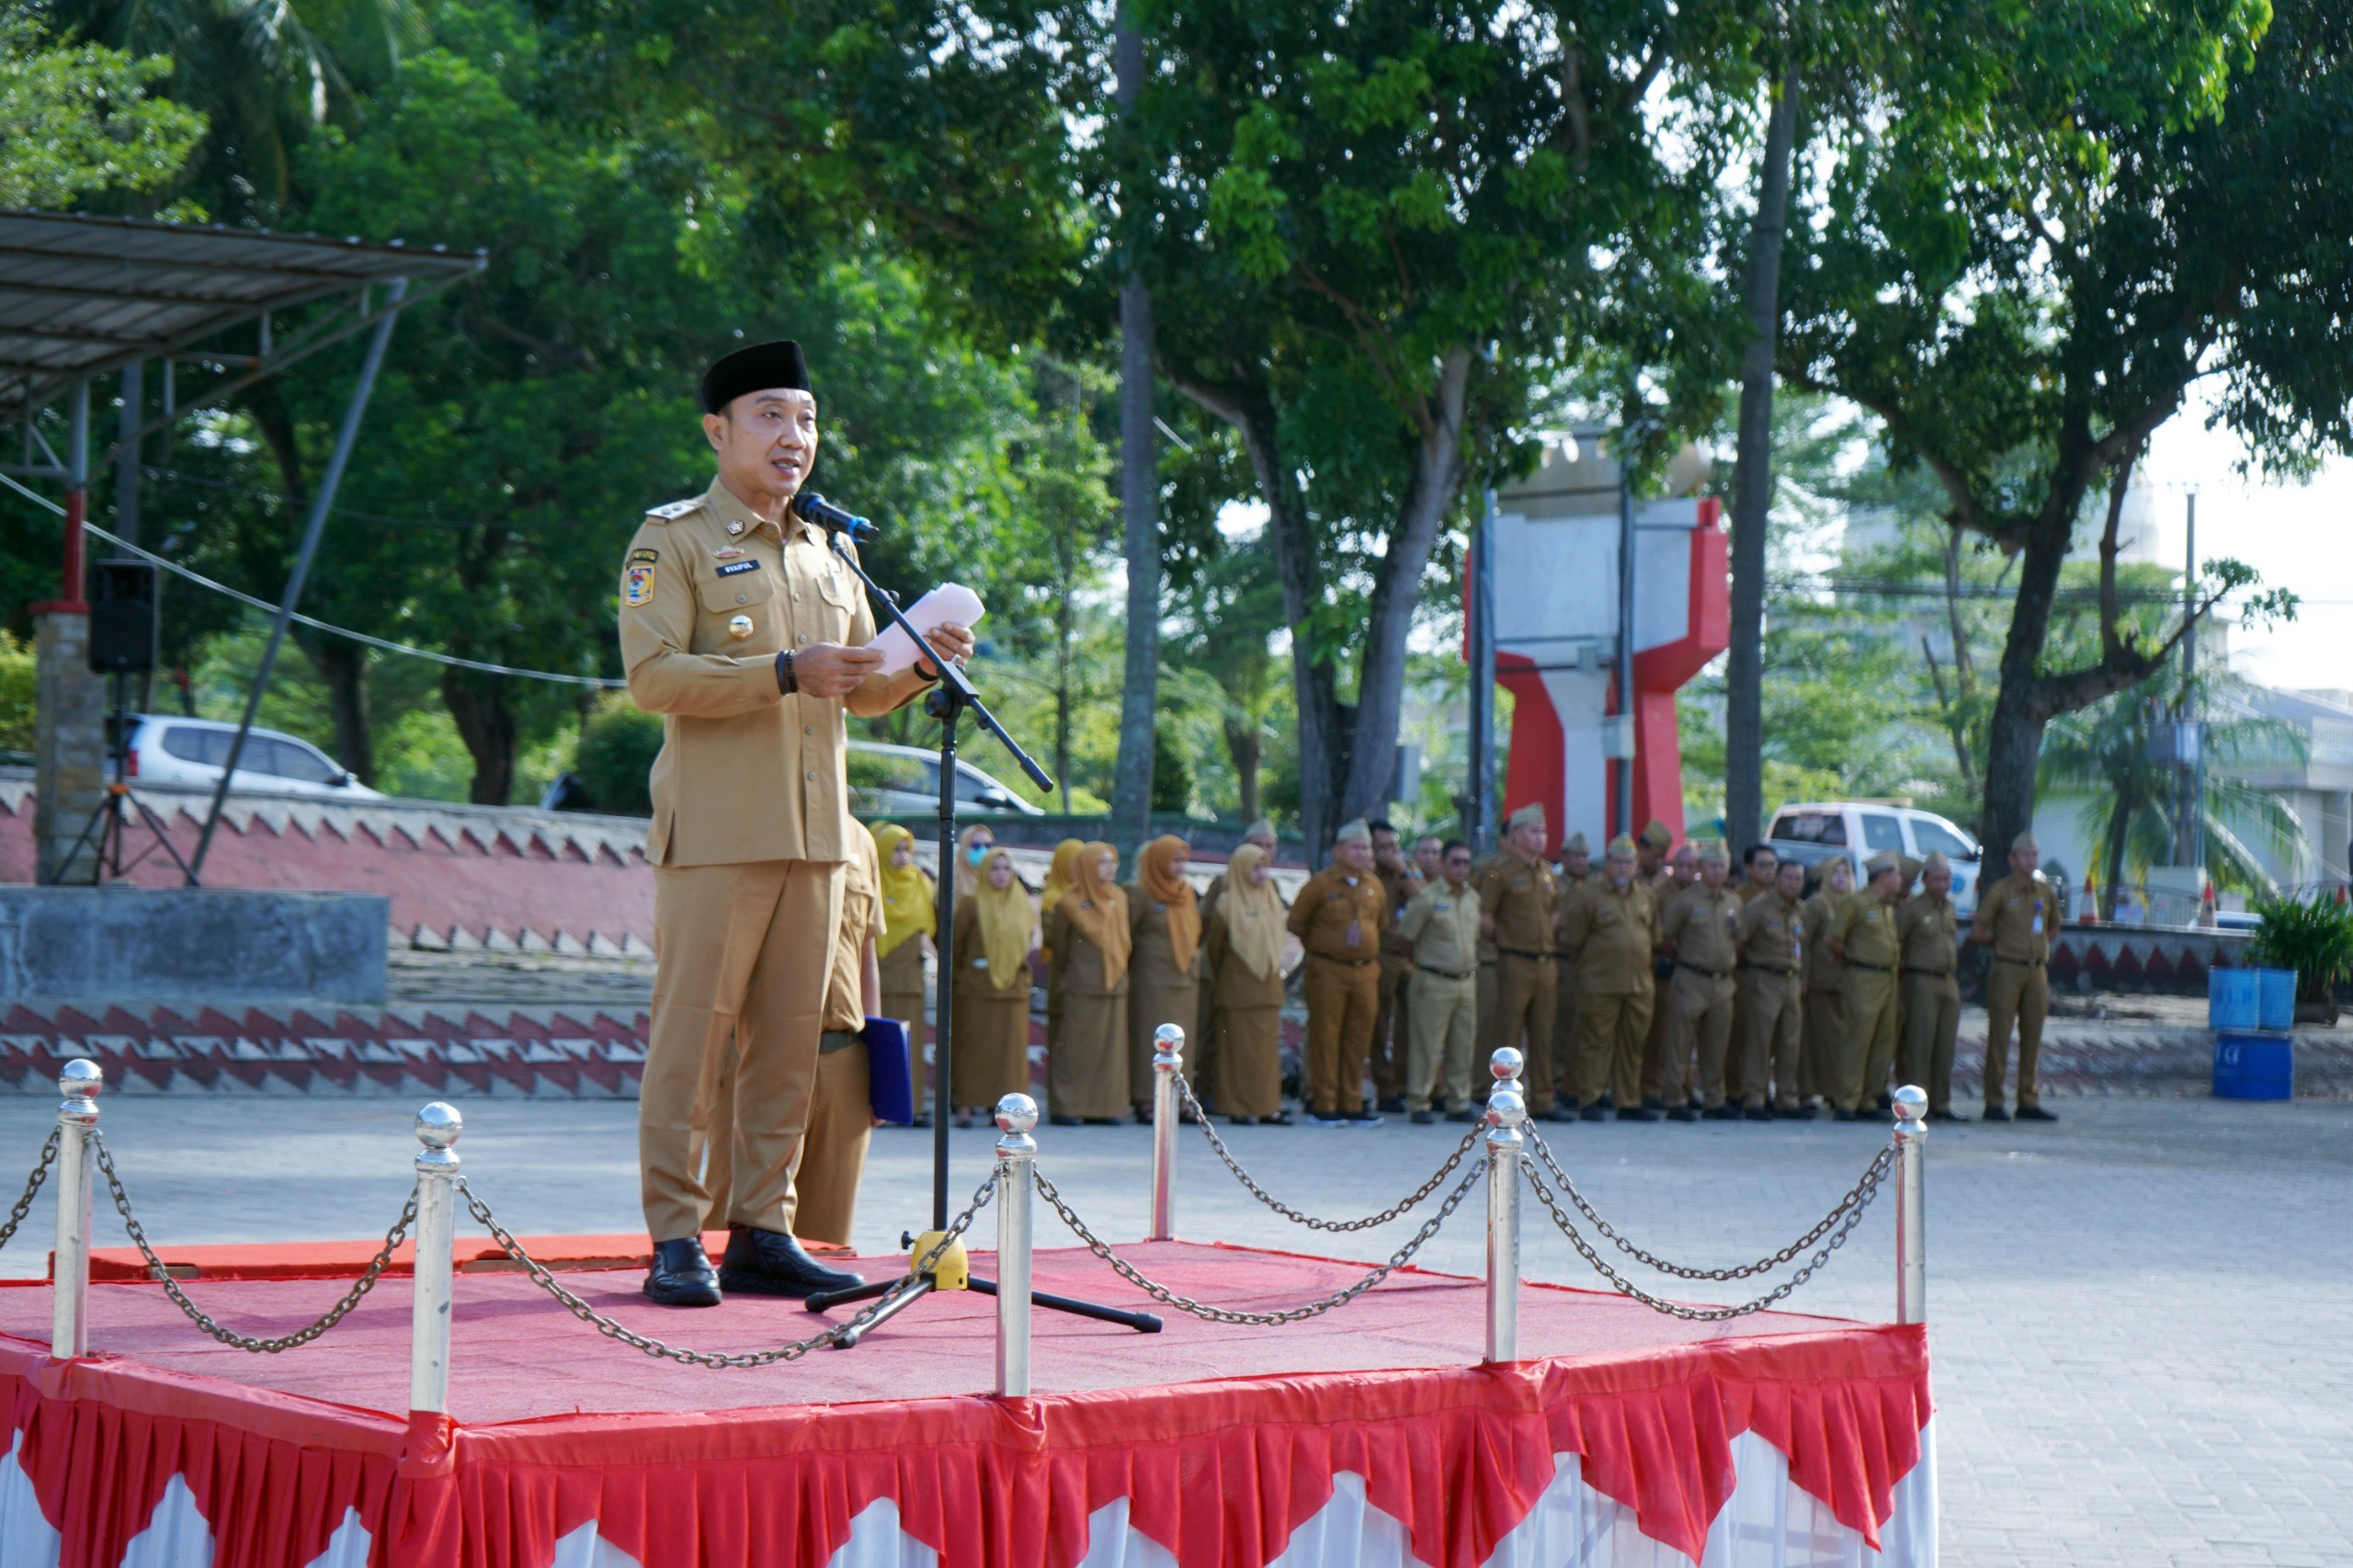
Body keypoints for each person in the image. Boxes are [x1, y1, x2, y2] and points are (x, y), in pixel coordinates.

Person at [620, 337, 974, 1307]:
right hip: (719, 838)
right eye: (770, 414)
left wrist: (919, 663)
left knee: (788, 1049)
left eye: (806, 418)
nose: (794, 437)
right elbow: (651, 677)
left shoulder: (834, 549)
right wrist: (781, 670)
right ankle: (675, 1236)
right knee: (692, 1048)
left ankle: (762, 1230)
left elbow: (856, 695)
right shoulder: (674, 539)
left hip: (820, 844)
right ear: (718, 429)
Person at [786, 820, 887, 1247]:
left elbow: (866, 954)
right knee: (735, 1225)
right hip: (765, 1056)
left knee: (829, 1236)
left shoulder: (861, 840)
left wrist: (880, 1063)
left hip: (845, 1054)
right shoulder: (760, 821)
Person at [1288, 818, 1389, 1125]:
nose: (1362, 853)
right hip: (1328, 970)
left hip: (1366, 972)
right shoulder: (1320, 885)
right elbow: (1296, 924)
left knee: (1359, 1038)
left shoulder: (1374, 885)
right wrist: (1325, 947)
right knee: (1326, 1037)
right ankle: (1325, 1103)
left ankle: (1352, 1102)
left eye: (1366, 847)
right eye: (1355, 847)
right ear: (1337, 851)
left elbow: (1380, 924)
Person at [1559, 835, 1660, 1120]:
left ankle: (1628, 1100)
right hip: (1600, 984)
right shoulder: (1589, 895)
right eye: (1618, 862)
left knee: (1633, 1045)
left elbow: (1654, 939)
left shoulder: (1646, 896)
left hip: (1639, 986)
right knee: (1595, 1043)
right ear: (1608, 865)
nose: (1623, 868)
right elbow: (1572, 939)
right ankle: (1590, 1096)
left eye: (1629, 862)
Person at [1482, 803, 1563, 1118]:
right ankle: (1503, 1101)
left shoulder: (1547, 872)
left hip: (1546, 963)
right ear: (1515, 835)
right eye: (1534, 831)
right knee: (1509, 1034)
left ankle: (1543, 1100)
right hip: (1514, 962)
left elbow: (1555, 909)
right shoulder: (1498, 870)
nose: (1541, 837)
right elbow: (1485, 916)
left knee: (1543, 1034)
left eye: (1543, 831)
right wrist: (1504, 940)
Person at [1970, 831, 2057, 1122]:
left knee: (2033, 1036)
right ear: (2012, 859)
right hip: (2007, 968)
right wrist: (2004, 944)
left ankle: (2028, 1100)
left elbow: (2053, 928)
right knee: (2000, 1037)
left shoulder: (2045, 891)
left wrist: (2037, 946)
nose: (2031, 860)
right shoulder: (2000, 891)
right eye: (2025, 855)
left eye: (2035, 855)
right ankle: (1994, 1101)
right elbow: (1979, 930)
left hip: (2036, 970)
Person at [1200, 842, 1290, 1123]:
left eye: (1265, 866)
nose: (1262, 873)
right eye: (1256, 867)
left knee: (1266, 1056)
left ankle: (1267, 1107)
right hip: (1237, 990)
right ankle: (1237, 1108)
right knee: (1236, 1054)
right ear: (1240, 869)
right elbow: (1214, 949)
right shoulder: (1226, 904)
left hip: (1268, 989)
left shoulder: (1272, 900)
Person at [1043, 842, 1131, 1125]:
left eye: (1113, 861)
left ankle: (1105, 1108)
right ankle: (1068, 1107)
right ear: (1088, 866)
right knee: (1077, 1049)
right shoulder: (1068, 901)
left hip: (1114, 984)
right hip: (1081, 986)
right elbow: (1060, 945)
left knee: (1110, 1052)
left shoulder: (1118, 896)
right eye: (1104, 862)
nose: (1111, 867)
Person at [949, 847, 1038, 1128]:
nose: (1001, 874)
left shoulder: (1022, 904)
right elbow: (955, 945)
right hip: (977, 989)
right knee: (973, 1049)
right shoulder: (971, 903)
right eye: (995, 868)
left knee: (1008, 1056)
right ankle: (965, 1106)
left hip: (1012, 991)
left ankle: (1003, 1108)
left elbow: (1030, 943)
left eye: (1006, 869)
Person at [1399, 839, 1483, 1122]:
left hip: (1466, 981)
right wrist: (1421, 966)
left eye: (1466, 862)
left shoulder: (1473, 898)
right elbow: (1405, 939)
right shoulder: (1427, 898)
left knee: (1463, 1045)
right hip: (1434, 980)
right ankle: (1419, 1101)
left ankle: (1458, 1101)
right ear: (1444, 864)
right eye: (1456, 862)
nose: (1462, 868)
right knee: (1427, 1046)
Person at [1658, 841, 1743, 1121]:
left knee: (1716, 1044)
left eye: (1722, 866)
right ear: (1701, 869)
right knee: (1680, 1043)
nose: (1718, 871)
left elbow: (1737, 939)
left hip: (1722, 983)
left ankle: (1714, 1100)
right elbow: (1666, 938)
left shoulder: (1734, 902)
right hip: (1691, 978)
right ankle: (1676, 1099)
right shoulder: (1684, 901)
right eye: (1712, 866)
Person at [1128, 835, 1203, 1121]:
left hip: (1184, 981)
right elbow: (1128, 936)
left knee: (1184, 1040)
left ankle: (1181, 1100)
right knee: (1151, 1038)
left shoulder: (1187, 892)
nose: (1181, 866)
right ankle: (1148, 1100)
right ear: (1158, 861)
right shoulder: (1139, 894)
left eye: (1184, 860)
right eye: (1175, 860)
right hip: (1152, 981)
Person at [1828, 850, 1908, 1121]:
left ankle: (1868, 1099)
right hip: (1863, 977)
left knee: (1883, 1041)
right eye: (1897, 874)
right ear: (1884, 876)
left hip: (1889, 979)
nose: (1901, 879)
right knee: (1859, 1039)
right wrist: (1851, 963)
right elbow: (1834, 940)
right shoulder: (1855, 903)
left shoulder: (1888, 906)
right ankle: (1847, 1101)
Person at [1737, 858, 1810, 1119]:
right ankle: (1755, 1097)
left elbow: (1805, 946)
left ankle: (1786, 1097)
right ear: (1777, 879)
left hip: (1791, 979)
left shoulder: (1801, 910)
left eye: (1798, 878)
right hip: (1765, 977)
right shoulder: (1759, 907)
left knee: (1790, 1041)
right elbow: (1740, 943)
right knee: (1760, 1039)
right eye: (1788, 877)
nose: (1793, 883)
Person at [871, 823, 936, 1111]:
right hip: (877, 979)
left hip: (910, 981)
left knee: (910, 1044)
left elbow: (928, 934)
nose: (903, 856)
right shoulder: (872, 884)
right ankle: (881, 1108)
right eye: (896, 850)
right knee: (881, 1048)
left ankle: (913, 1106)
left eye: (906, 849)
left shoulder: (920, 883)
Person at [1900, 851, 1966, 1122]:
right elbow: (1898, 942)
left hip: (1948, 981)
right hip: (1920, 980)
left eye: (1946, 878)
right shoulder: (1913, 908)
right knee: (1920, 1044)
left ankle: (1941, 1102)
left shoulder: (1949, 907)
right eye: (1936, 879)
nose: (1942, 884)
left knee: (1945, 1046)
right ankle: (1916, 1104)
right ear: (1925, 880)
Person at [1640, 841, 1699, 1110]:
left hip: (1691, 973)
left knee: (1685, 1038)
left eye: (1691, 866)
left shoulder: (1701, 894)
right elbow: (1656, 933)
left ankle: (1685, 1087)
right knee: (1660, 1035)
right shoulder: (1659, 892)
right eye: (1681, 865)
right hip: (1664, 970)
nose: (1685, 871)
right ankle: (1653, 1089)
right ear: (1672, 867)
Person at [1370, 819, 1422, 1112]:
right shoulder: (1367, 872)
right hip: (1380, 954)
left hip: (1408, 956)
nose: (1390, 852)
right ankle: (1386, 1088)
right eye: (1383, 848)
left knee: (1410, 1025)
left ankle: (1404, 1084)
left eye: (1394, 846)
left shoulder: (1407, 868)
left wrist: (1402, 869)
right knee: (1379, 1025)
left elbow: (1424, 898)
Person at [1723, 843, 1779, 1106]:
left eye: (1772, 865)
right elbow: (1737, 941)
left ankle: (1760, 1090)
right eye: (1762, 865)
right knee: (1741, 1034)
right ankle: (1737, 1091)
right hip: (1745, 974)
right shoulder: (1738, 898)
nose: (1769, 871)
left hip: (1773, 979)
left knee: (1766, 1037)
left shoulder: (1781, 899)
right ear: (1748, 868)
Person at [1800, 856, 1855, 1111]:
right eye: (1836, 873)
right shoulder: (1817, 905)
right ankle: (1808, 1091)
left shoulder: (1854, 905)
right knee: (1814, 1042)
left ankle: (1835, 1091)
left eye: (1846, 872)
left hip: (1846, 985)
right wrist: (1804, 977)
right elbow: (1805, 945)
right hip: (1819, 983)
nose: (1841, 878)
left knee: (1840, 1043)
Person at [1545, 831, 1592, 1117]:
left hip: (1587, 966)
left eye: (1585, 856)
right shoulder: (1554, 885)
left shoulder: (1593, 887)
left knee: (1582, 1026)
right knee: (1560, 1026)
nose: (1581, 861)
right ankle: (1558, 1082)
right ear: (1563, 857)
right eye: (1575, 855)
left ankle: (1577, 1085)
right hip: (1561, 960)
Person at [952, 823, 996, 902]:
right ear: (963, 848)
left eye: (987, 845)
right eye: (976, 846)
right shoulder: (951, 880)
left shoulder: (997, 878)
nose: (983, 850)